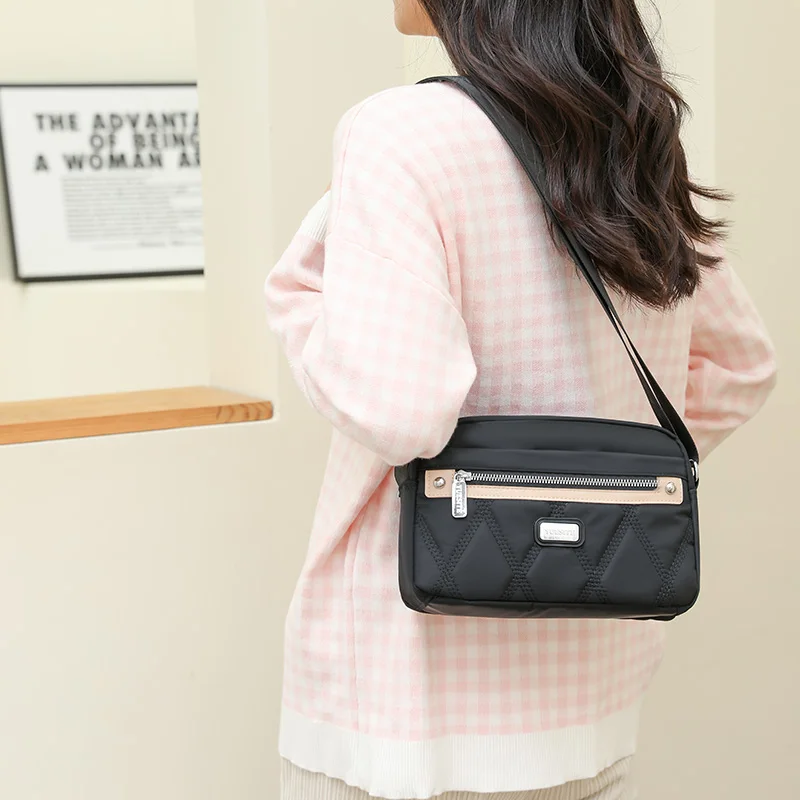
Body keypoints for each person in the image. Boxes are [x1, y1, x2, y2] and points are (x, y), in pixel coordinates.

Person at [264, 1, 778, 798]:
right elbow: (740, 365)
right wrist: (598, 480)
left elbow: (399, 410)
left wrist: (300, 304)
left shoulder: (400, 134)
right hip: (592, 696)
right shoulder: (630, 134)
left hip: (409, 708)